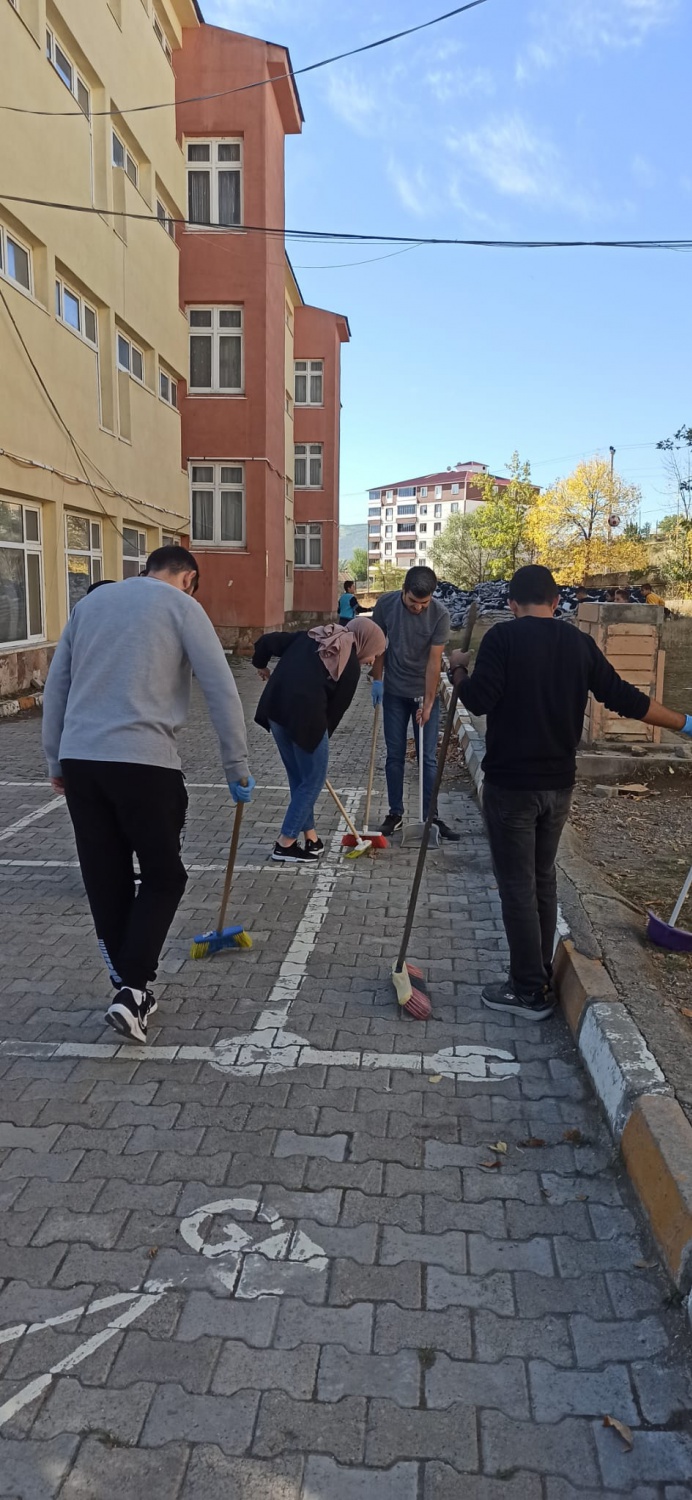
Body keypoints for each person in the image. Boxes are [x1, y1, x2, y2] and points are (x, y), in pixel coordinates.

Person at [449, 564, 692, 1022]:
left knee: (518, 887)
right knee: (542, 880)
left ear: (513, 605)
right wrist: (685, 723)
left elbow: (479, 700)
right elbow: (624, 697)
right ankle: (538, 974)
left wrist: (458, 673)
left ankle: (528, 991)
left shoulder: (503, 640)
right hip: (558, 786)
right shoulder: (578, 644)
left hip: (512, 787)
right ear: (557, 603)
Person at [42, 545, 253, 1044]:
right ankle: (132, 989)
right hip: (143, 761)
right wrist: (236, 763)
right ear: (188, 578)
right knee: (164, 875)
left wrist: (55, 758)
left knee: (106, 875)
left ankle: (126, 985)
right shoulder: (182, 606)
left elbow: (58, 685)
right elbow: (221, 686)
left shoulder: (90, 605)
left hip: (82, 762)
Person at [253, 616, 386, 863]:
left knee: (300, 778)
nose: (371, 662)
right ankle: (285, 843)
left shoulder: (311, 636)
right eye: (374, 655)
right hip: (304, 718)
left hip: (275, 710)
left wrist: (260, 664)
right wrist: (318, 747)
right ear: (365, 642)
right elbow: (335, 712)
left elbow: (268, 641)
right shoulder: (350, 665)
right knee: (312, 780)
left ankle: (311, 839)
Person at [370, 565, 457, 841]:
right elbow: (378, 645)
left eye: (424, 603)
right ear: (403, 591)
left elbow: (434, 664)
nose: (418, 608)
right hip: (394, 693)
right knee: (394, 756)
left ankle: (431, 817)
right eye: (412, 602)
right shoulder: (385, 604)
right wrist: (377, 679)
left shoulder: (440, 615)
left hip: (423, 693)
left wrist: (429, 703)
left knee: (427, 759)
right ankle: (395, 813)